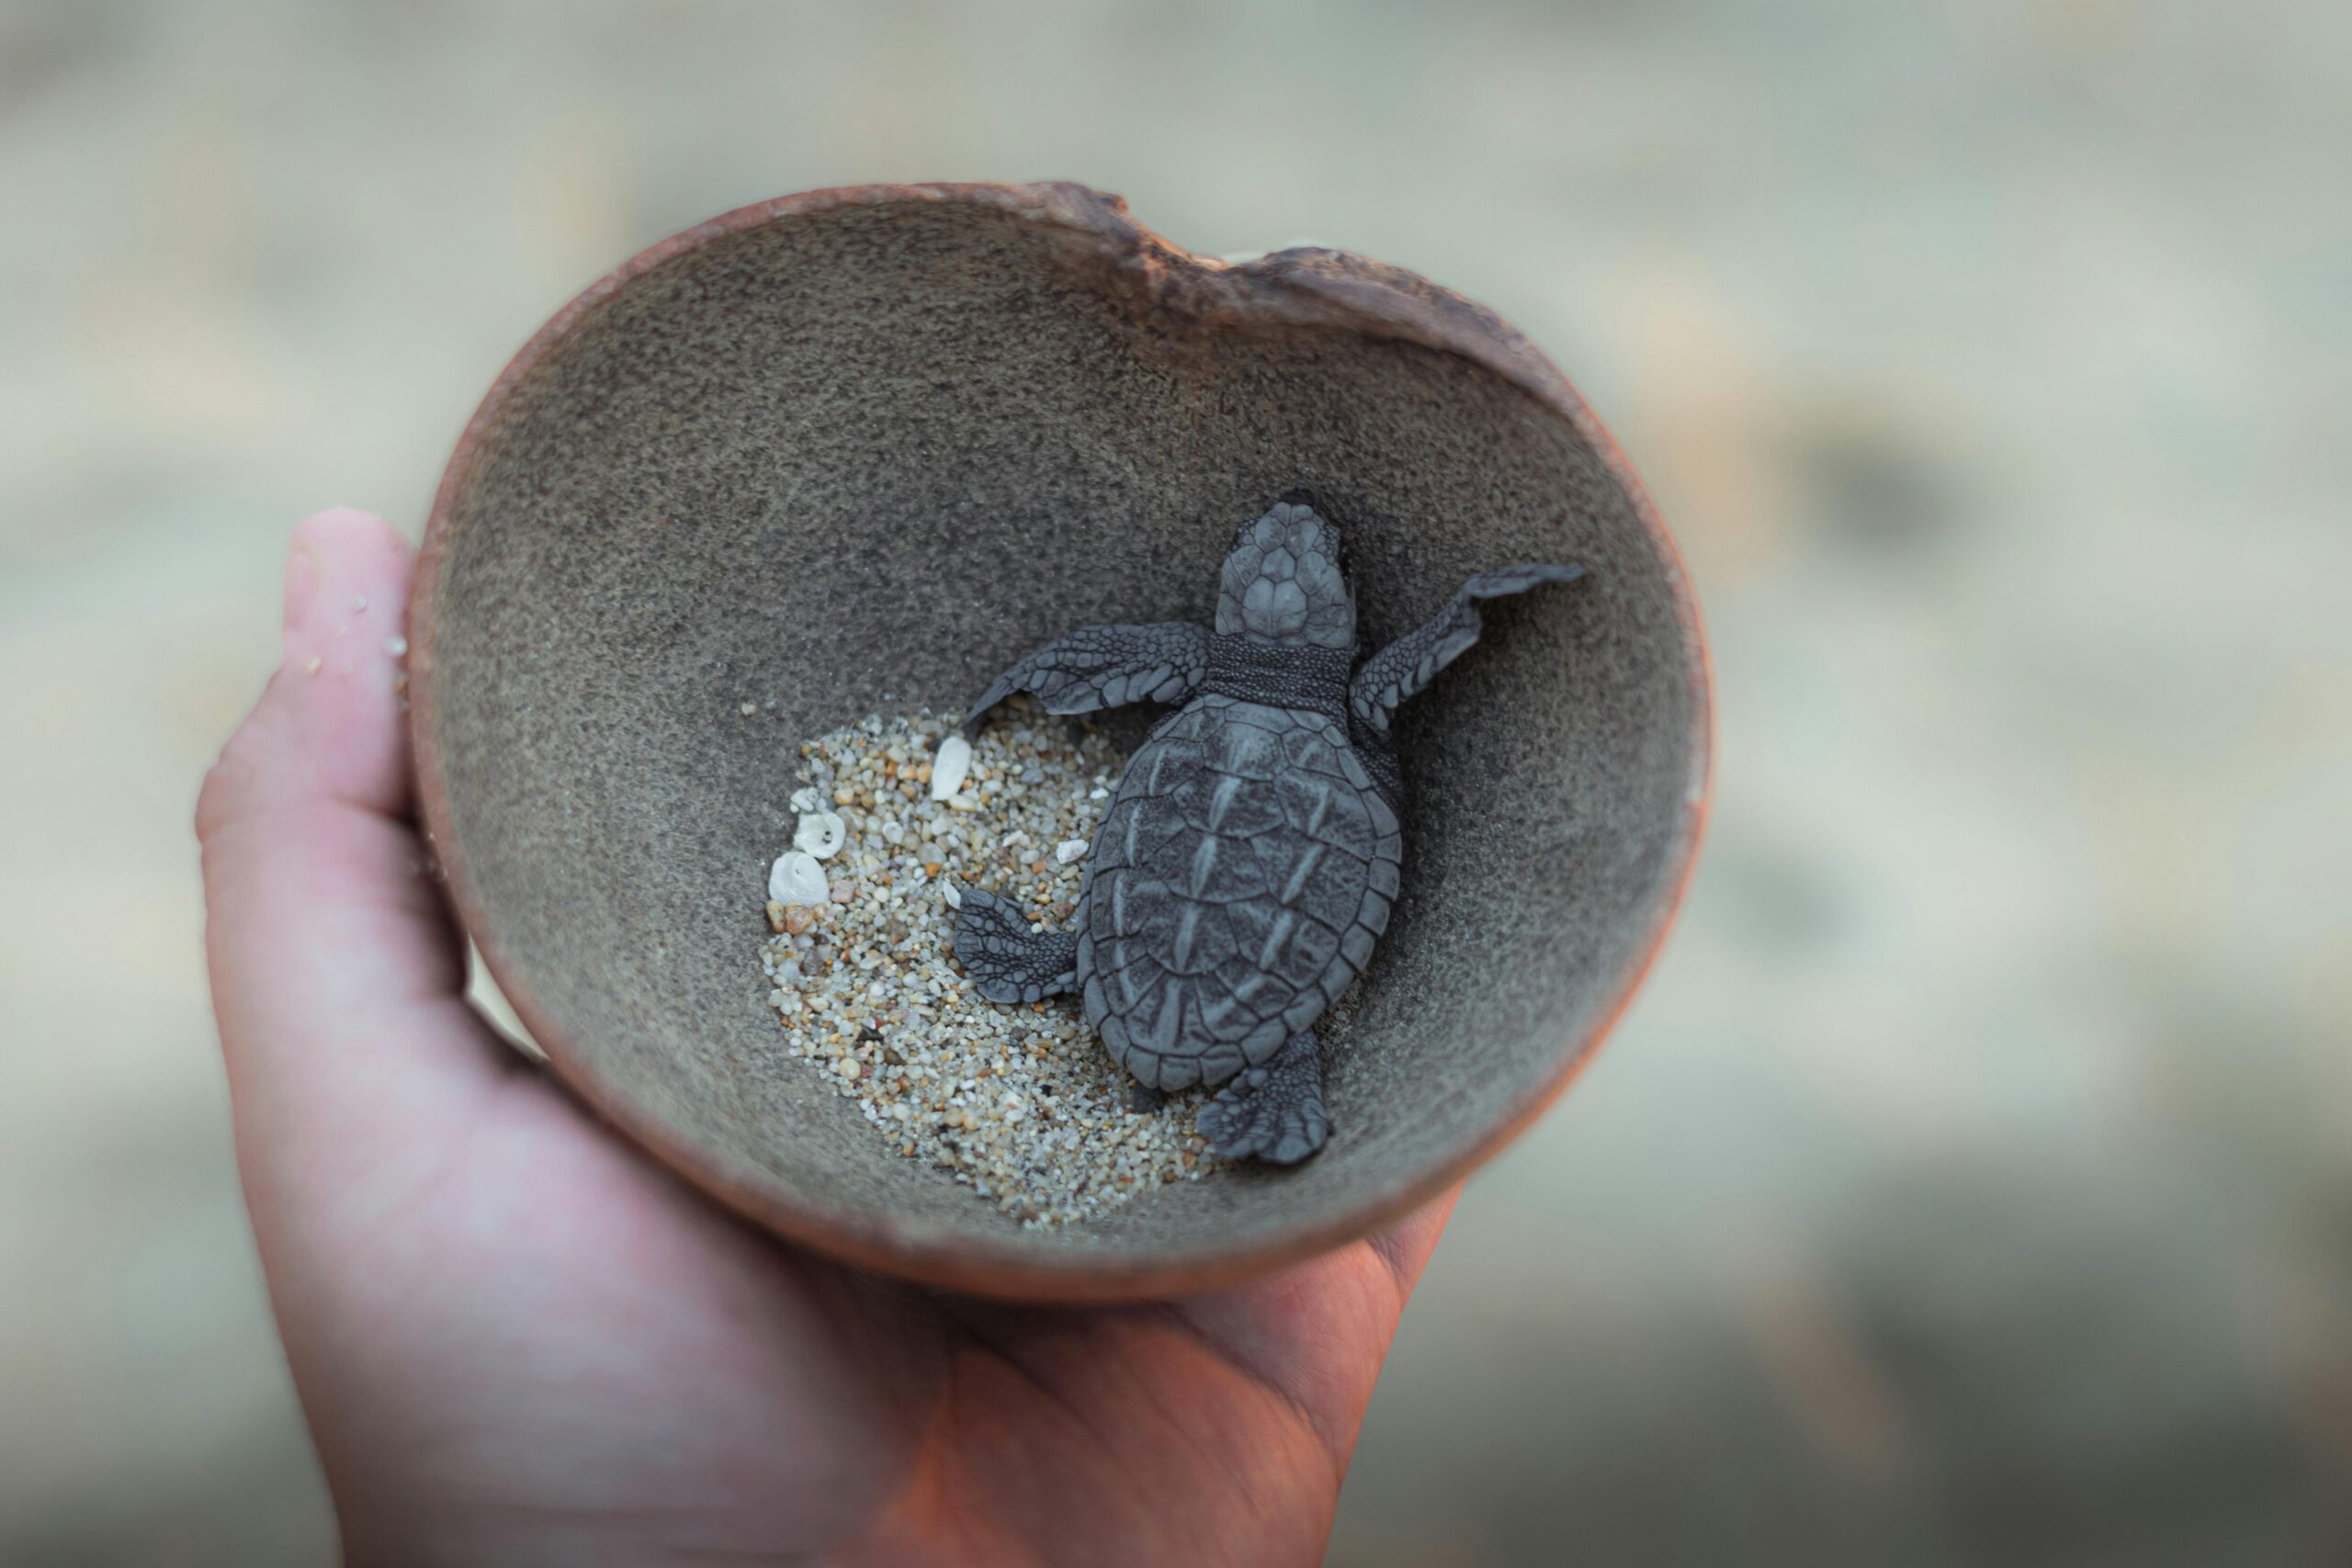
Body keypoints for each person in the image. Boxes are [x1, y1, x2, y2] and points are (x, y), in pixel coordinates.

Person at [197, 507, 1458, 1566]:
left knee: (1160, 881)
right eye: (1270, 559)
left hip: (1130, 946)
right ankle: (1250, 1051)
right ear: (1332, 631)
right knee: (1257, 923)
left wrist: (1024, 688)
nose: (1286, 549)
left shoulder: (1190, 674)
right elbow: (1403, 678)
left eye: (1299, 565)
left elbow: (1096, 669)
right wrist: (1469, 619)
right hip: (1277, 936)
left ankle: (1059, 966)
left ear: (1247, 624)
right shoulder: (1356, 701)